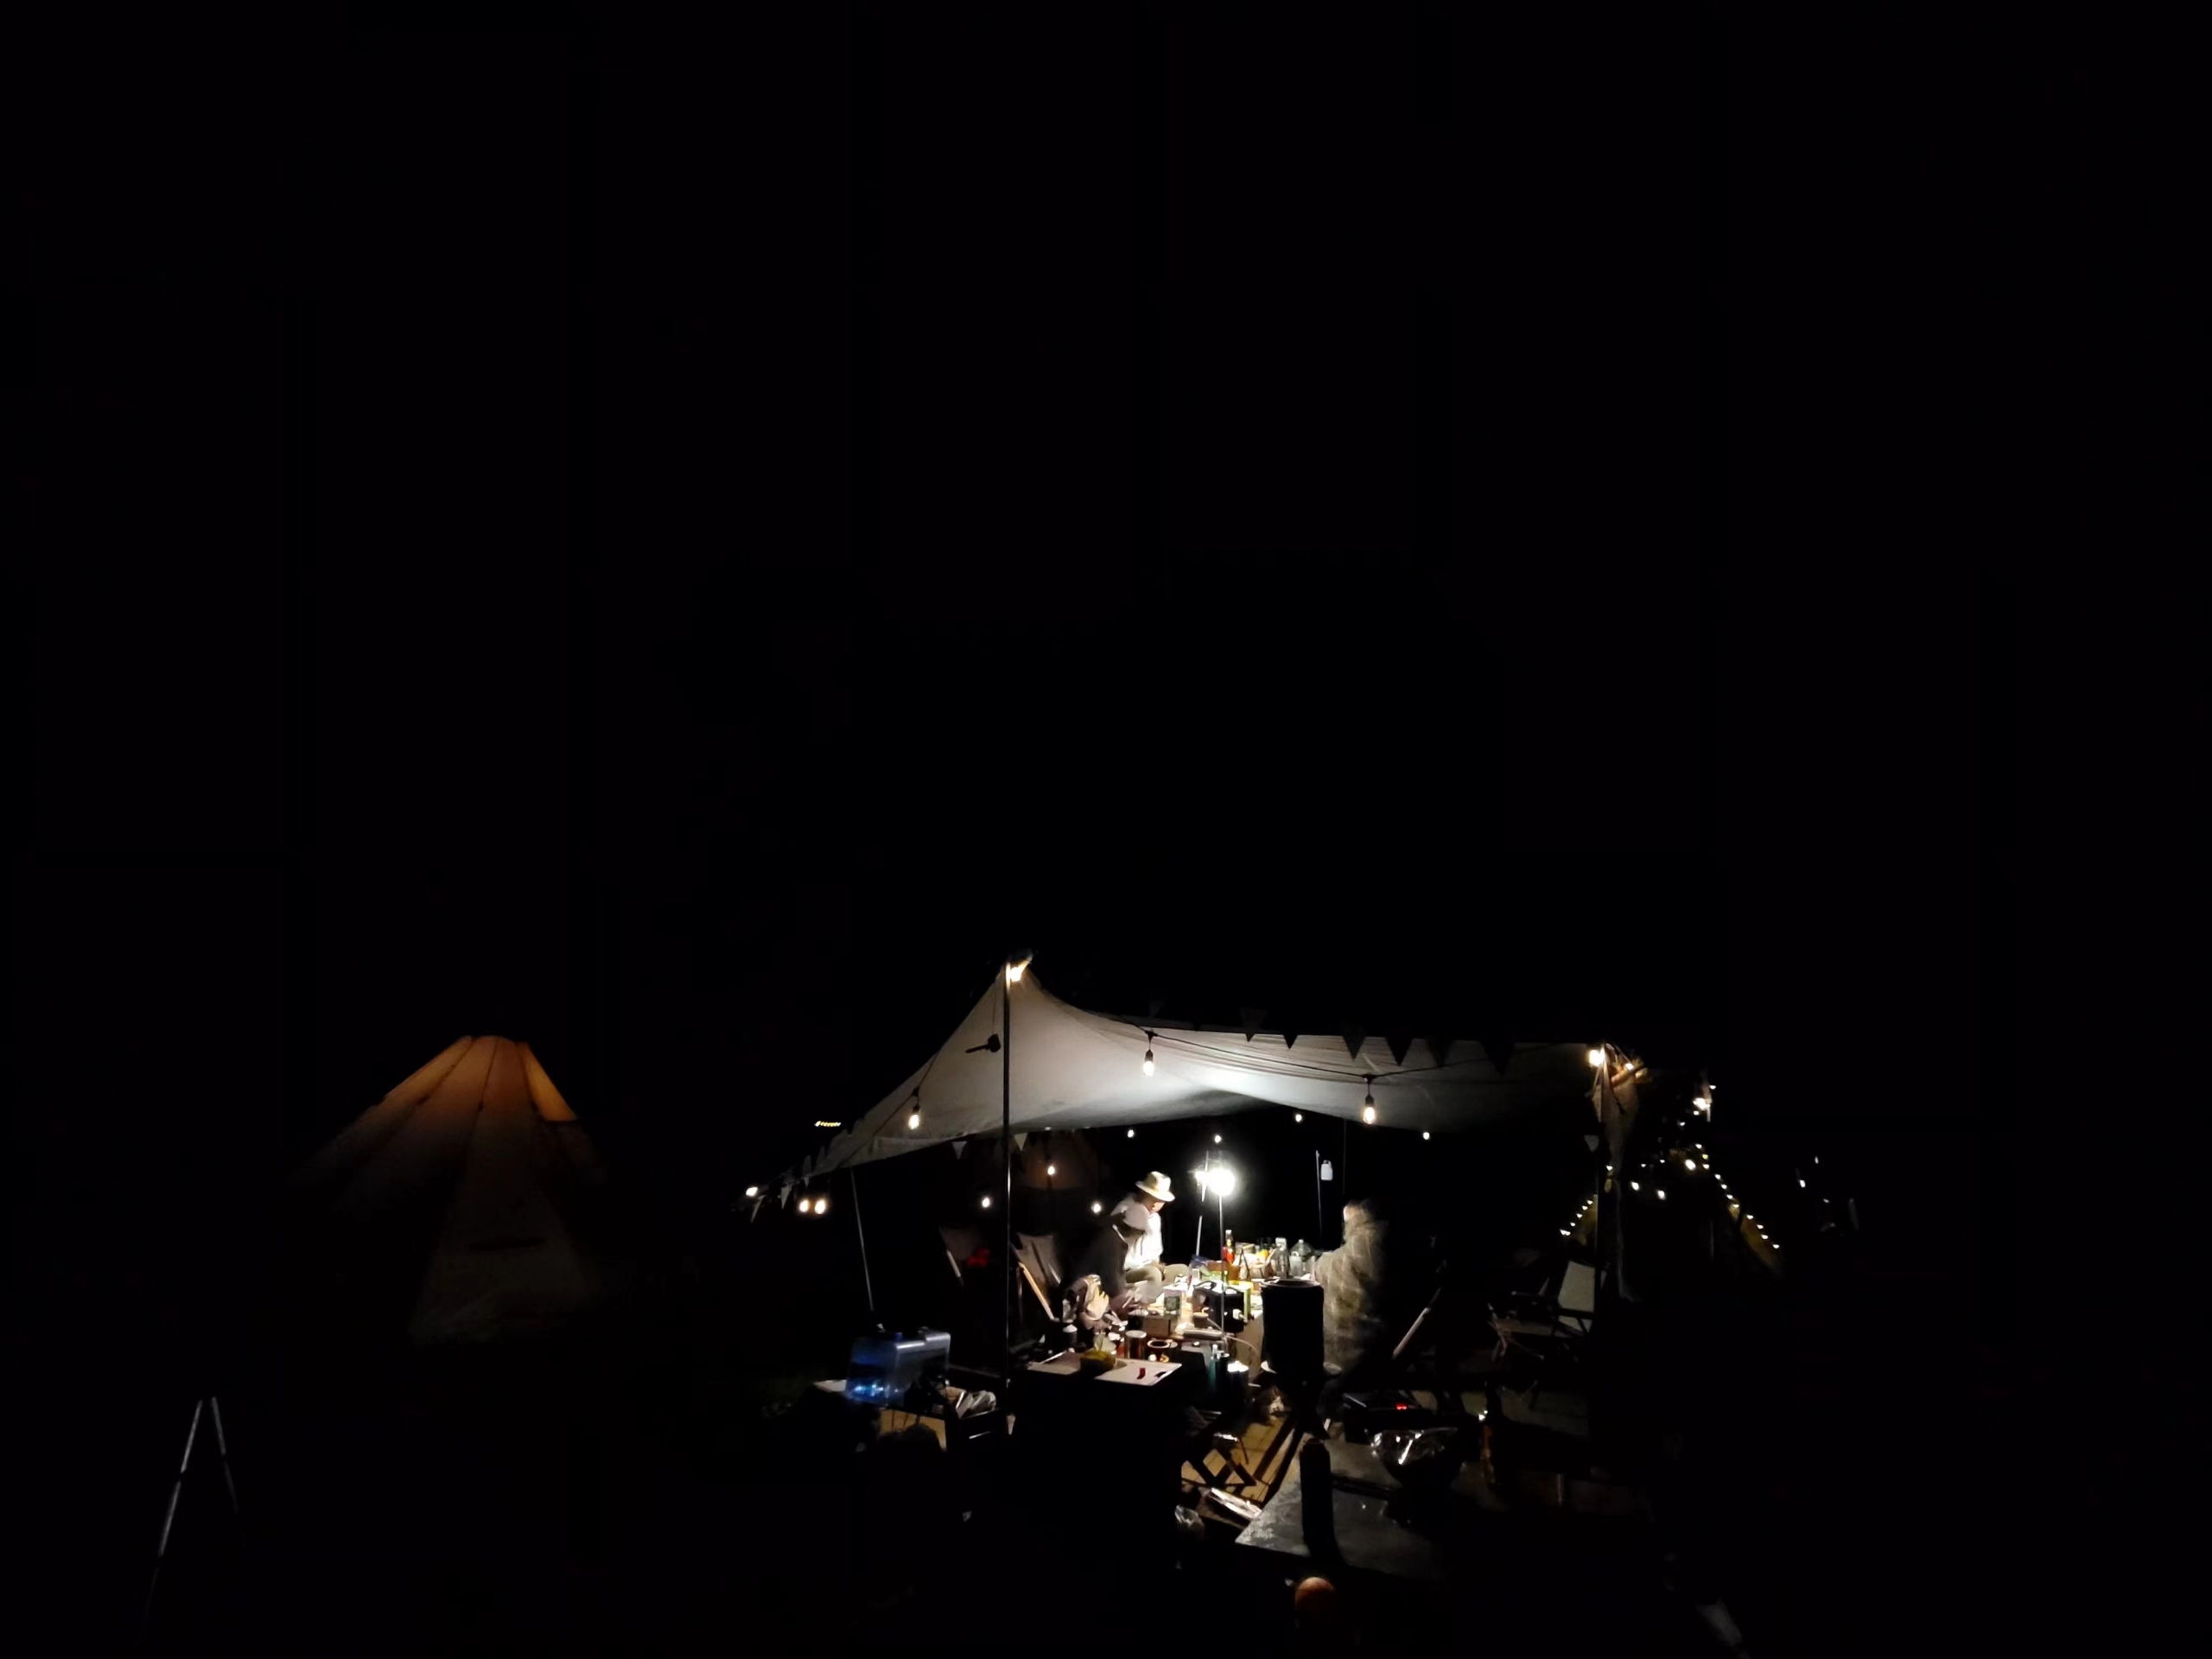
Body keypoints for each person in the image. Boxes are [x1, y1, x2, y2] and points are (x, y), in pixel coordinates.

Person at [1111, 1172, 1174, 1283]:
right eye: (1153, 1199)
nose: (1155, 1204)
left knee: (1180, 1270)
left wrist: (1158, 1266)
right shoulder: (1126, 1209)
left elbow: (1154, 1254)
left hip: (1146, 1267)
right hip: (1123, 1271)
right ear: (1143, 1193)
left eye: (1160, 1201)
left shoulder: (1155, 1219)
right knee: (1153, 1275)